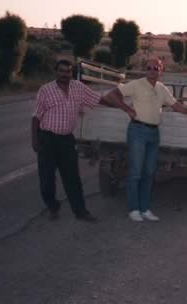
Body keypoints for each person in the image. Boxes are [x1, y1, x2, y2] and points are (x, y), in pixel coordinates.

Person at [31, 59, 130, 221]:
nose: (65, 74)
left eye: (68, 71)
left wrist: (121, 106)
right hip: (47, 139)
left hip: (67, 141)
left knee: (72, 178)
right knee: (47, 180)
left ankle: (80, 211)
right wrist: (34, 140)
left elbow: (99, 100)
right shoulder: (45, 90)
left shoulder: (79, 88)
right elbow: (36, 117)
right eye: (62, 71)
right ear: (56, 72)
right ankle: (52, 206)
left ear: (72, 72)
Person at [106, 58, 187, 222]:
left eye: (156, 67)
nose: (153, 70)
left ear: (161, 70)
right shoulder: (136, 84)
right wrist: (127, 109)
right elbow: (112, 94)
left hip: (154, 134)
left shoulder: (162, 88)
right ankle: (133, 209)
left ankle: (145, 209)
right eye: (150, 67)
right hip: (137, 132)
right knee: (135, 172)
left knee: (149, 173)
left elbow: (175, 104)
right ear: (144, 69)